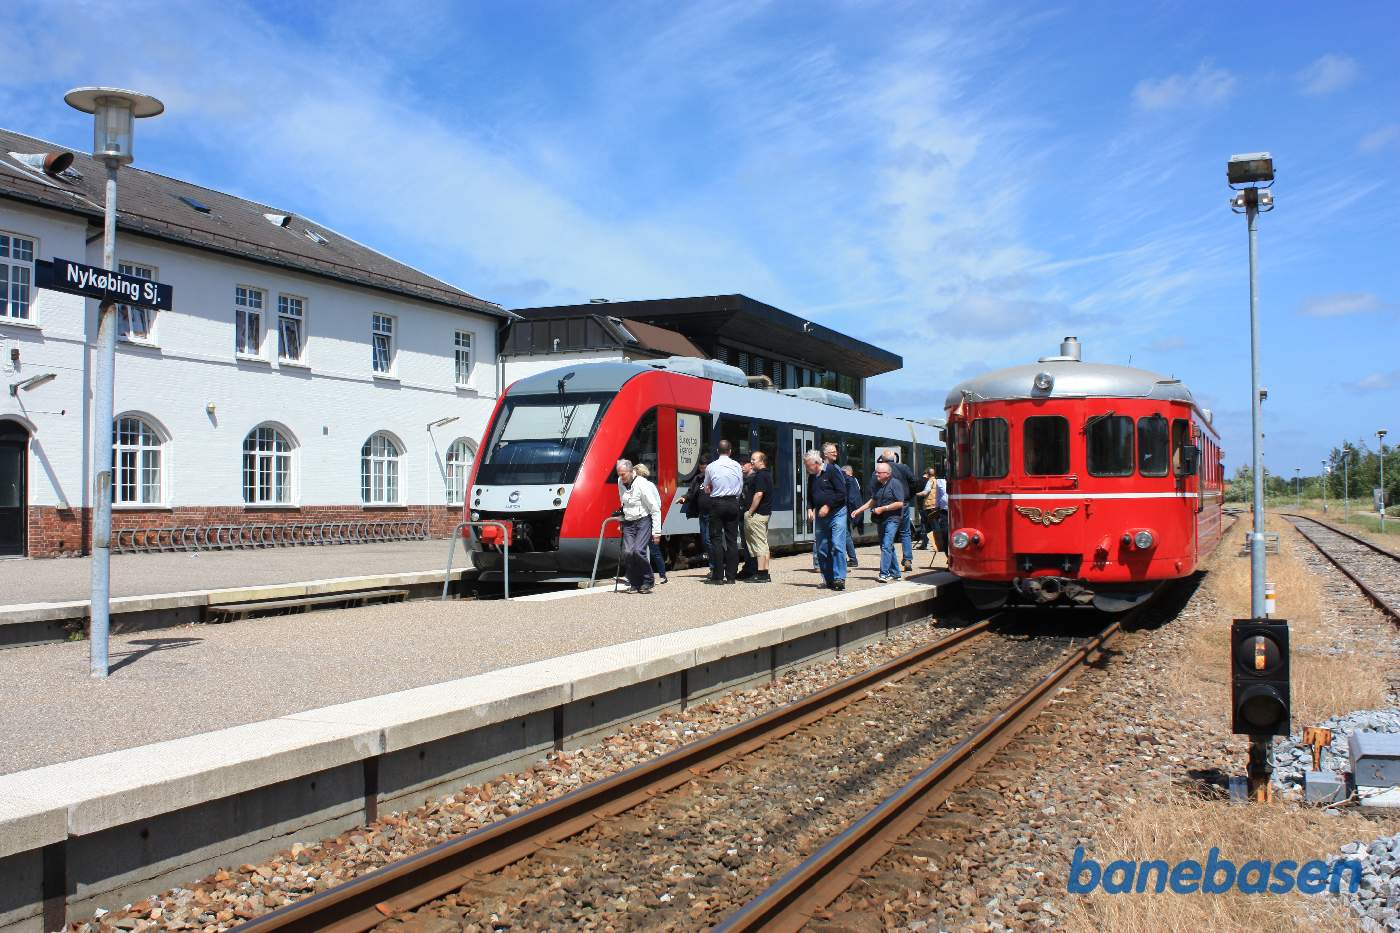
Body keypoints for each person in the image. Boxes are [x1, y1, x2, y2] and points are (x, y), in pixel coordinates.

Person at [850, 461, 907, 582]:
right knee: (886, 546)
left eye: (878, 473)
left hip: (893, 519)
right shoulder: (877, 484)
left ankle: (884, 573)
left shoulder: (895, 484)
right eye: (876, 473)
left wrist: (883, 508)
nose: (876, 475)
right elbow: (873, 501)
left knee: (886, 545)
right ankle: (896, 573)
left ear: (887, 474)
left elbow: (900, 503)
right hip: (881, 519)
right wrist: (859, 510)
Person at [615, 458, 661, 594]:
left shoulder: (642, 484)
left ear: (631, 471)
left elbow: (654, 508)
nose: (621, 477)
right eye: (619, 474)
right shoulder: (620, 482)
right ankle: (634, 583)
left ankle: (648, 580)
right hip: (629, 521)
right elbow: (622, 502)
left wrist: (657, 532)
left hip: (643, 520)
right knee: (628, 552)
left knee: (638, 550)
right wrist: (621, 521)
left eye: (623, 474)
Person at [703, 439, 744, 584]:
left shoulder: (711, 467)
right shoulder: (737, 466)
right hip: (733, 502)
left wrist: (711, 490)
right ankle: (732, 576)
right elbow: (740, 486)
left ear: (717, 451)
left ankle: (718, 576)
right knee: (732, 540)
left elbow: (706, 487)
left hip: (717, 503)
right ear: (730, 451)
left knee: (716, 539)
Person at [806, 449, 848, 590]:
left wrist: (828, 506)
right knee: (822, 548)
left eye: (807, 465)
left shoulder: (832, 471)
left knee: (837, 545)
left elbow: (842, 493)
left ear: (816, 463)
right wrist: (809, 509)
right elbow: (810, 496)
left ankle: (839, 579)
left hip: (837, 513)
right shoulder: (812, 477)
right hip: (821, 516)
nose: (806, 468)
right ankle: (828, 579)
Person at [874, 448, 918, 575]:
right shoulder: (903, 468)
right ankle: (908, 559)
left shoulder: (881, 470)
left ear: (882, 460)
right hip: (903, 504)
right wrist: (909, 496)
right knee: (905, 532)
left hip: (888, 506)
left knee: (888, 536)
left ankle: (891, 566)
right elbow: (914, 482)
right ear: (895, 458)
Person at [633, 463, 668, 583]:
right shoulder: (637, 486)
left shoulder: (649, 485)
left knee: (653, 550)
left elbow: (656, 504)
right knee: (644, 550)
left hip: (650, 520)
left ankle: (661, 575)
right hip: (642, 521)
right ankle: (648, 576)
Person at [744, 451, 774, 583]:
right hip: (764, 514)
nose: (751, 461)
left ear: (762, 461)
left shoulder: (761, 475)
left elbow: (759, 494)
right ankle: (764, 573)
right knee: (763, 543)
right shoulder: (767, 474)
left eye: (754, 459)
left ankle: (761, 573)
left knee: (758, 544)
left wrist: (750, 511)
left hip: (757, 514)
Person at [675, 453, 711, 561]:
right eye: (700, 468)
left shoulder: (714, 478)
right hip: (702, 513)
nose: (702, 470)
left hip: (712, 513)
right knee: (704, 540)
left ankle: (715, 567)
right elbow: (691, 492)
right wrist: (684, 498)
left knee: (709, 539)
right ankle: (713, 566)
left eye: (704, 468)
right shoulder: (698, 478)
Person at [842, 464, 863, 568]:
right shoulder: (855, 480)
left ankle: (852, 559)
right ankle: (852, 559)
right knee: (847, 534)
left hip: (846, 510)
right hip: (852, 510)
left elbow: (851, 498)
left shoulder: (848, 480)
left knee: (845, 534)